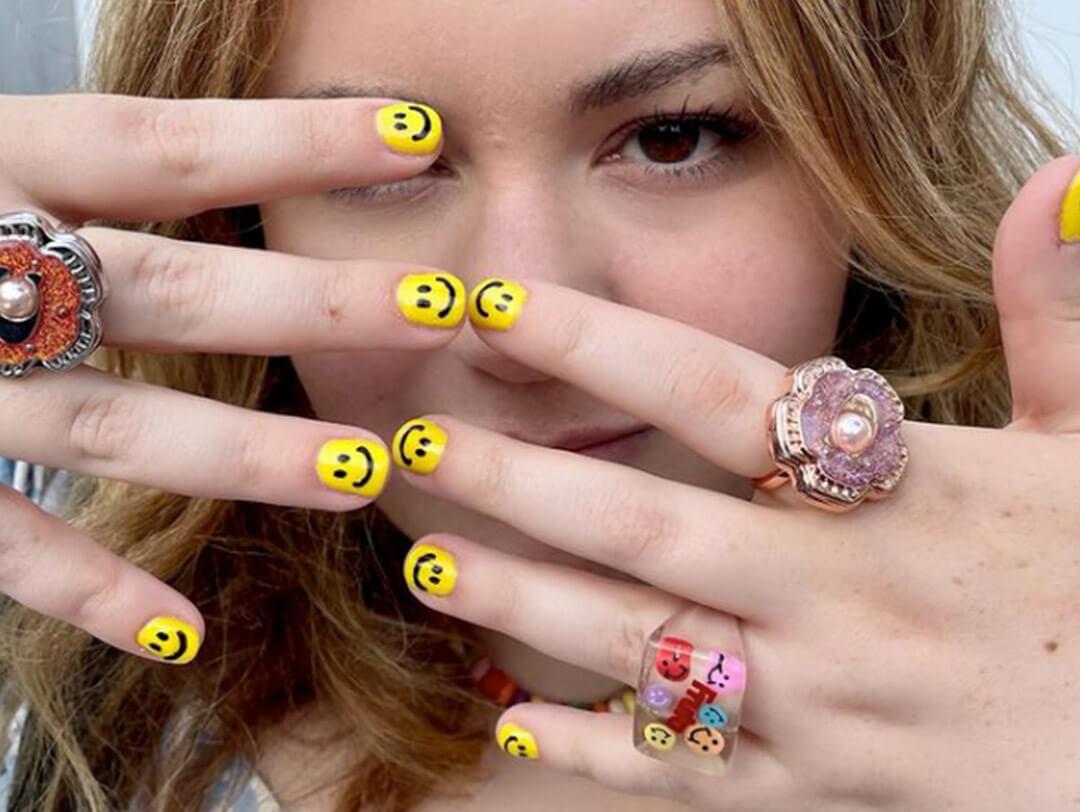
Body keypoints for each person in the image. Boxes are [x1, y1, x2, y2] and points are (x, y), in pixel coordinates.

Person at [0, 0, 1078, 809]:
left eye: (671, 137)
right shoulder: (90, 669)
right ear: (232, 226)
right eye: (380, 169)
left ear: (878, 157)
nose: (520, 324)